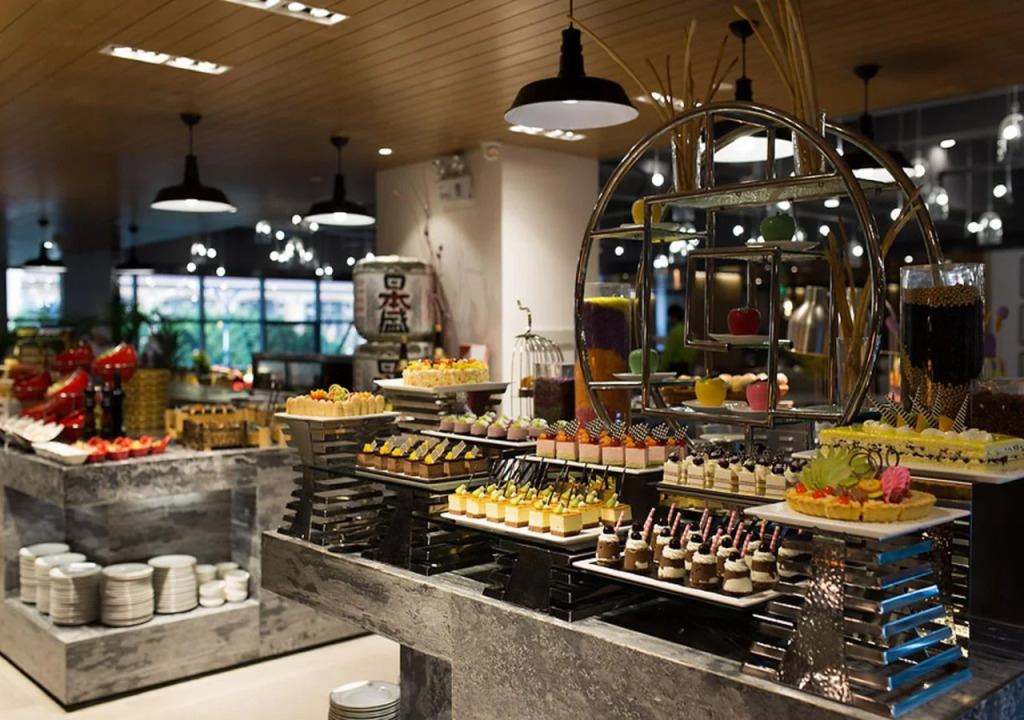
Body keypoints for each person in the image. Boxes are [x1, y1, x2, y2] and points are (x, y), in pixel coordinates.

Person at [659, 304, 697, 373]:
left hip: (675, 367)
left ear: (673, 317)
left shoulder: (674, 332)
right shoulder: (688, 331)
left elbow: (668, 353)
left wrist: (661, 369)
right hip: (687, 366)